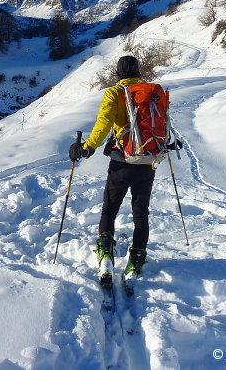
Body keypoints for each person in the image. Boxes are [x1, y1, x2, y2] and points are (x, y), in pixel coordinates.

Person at [69, 55, 156, 285]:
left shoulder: (114, 93)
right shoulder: (150, 94)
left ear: (118, 74)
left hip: (121, 162)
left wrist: (87, 147)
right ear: (138, 72)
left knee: (109, 210)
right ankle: (136, 261)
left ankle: (106, 256)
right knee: (141, 214)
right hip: (147, 162)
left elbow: (103, 122)